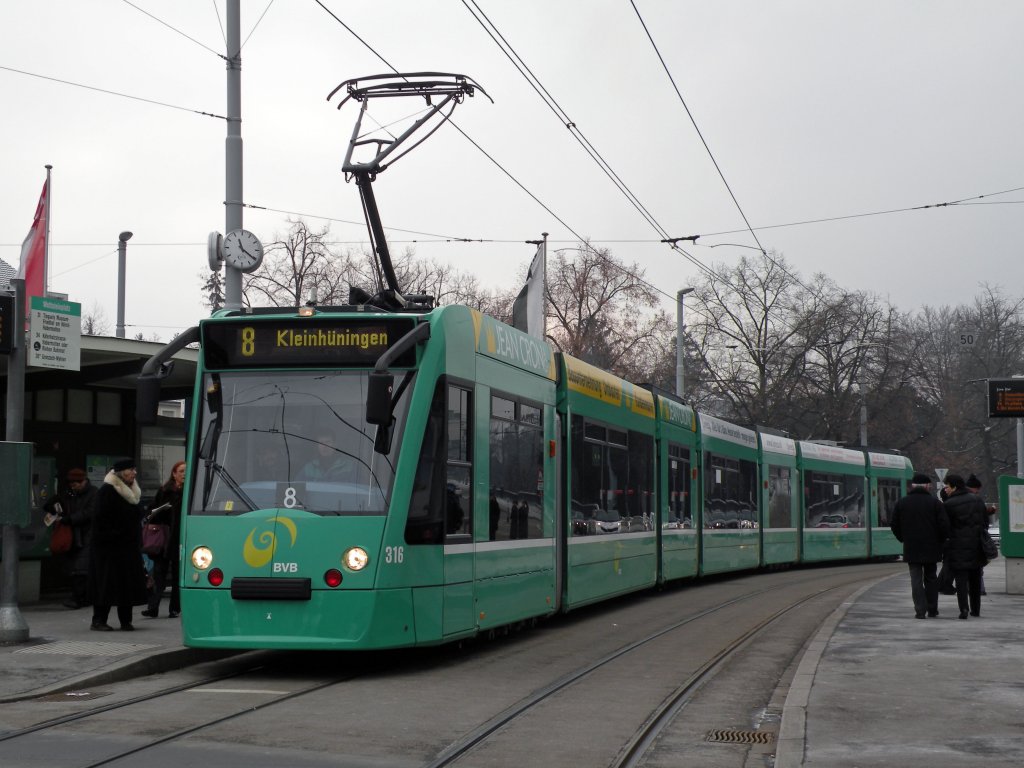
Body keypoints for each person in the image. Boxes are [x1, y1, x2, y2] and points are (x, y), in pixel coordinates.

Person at [88, 458, 148, 631]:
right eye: (131, 469)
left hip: (128, 547)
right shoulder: (107, 491)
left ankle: (126, 620)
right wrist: (117, 533)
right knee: (106, 584)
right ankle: (98, 620)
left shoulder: (132, 491)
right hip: (108, 548)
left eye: (135, 469)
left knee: (126, 584)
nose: (135, 473)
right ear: (121, 472)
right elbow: (100, 520)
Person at [890, 472, 949, 619]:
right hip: (932, 547)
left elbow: (894, 524)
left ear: (912, 486)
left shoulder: (902, 503)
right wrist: (940, 541)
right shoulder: (935, 503)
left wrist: (903, 539)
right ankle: (932, 608)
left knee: (915, 579)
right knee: (931, 578)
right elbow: (944, 526)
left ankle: (920, 610)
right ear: (928, 486)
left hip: (912, 547)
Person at [44, 468, 98, 609]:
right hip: (73, 535)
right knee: (75, 568)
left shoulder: (94, 493)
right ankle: (82, 597)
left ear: (84, 481)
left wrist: (70, 519)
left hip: (87, 535)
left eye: (76, 483)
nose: (74, 486)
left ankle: (79, 598)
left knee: (81, 568)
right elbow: (58, 505)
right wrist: (53, 506)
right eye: (71, 483)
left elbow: (89, 512)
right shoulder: (69, 493)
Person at [942, 473, 988, 619]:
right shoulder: (977, 500)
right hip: (976, 546)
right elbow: (985, 523)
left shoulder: (948, 505)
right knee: (975, 578)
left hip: (957, 547)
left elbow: (945, 527)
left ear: (954, 487)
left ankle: (964, 609)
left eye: (947, 486)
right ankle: (976, 609)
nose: (945, 490)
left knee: (961, 580)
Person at [141, 460, 184, 619]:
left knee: (178, 575)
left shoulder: (191, 492)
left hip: (181, 537)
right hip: (164, 536)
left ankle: (174, 608)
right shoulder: (165, 490)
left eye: (186, 471)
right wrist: (153, 517)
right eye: (181, 471)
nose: (184, 474)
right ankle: (153, 607)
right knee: (159, 573)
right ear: (174, 474)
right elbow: (152, 509)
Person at [966, 473, 995, 595]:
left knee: (969, 565)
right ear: (974, 488)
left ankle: (972, 589)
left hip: (965, 538)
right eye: (977, 489)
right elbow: (980, 517)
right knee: (977, 565)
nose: (978, 491)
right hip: (976, 537)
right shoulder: (975, 500)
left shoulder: (959, 499)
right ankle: (979, 589)